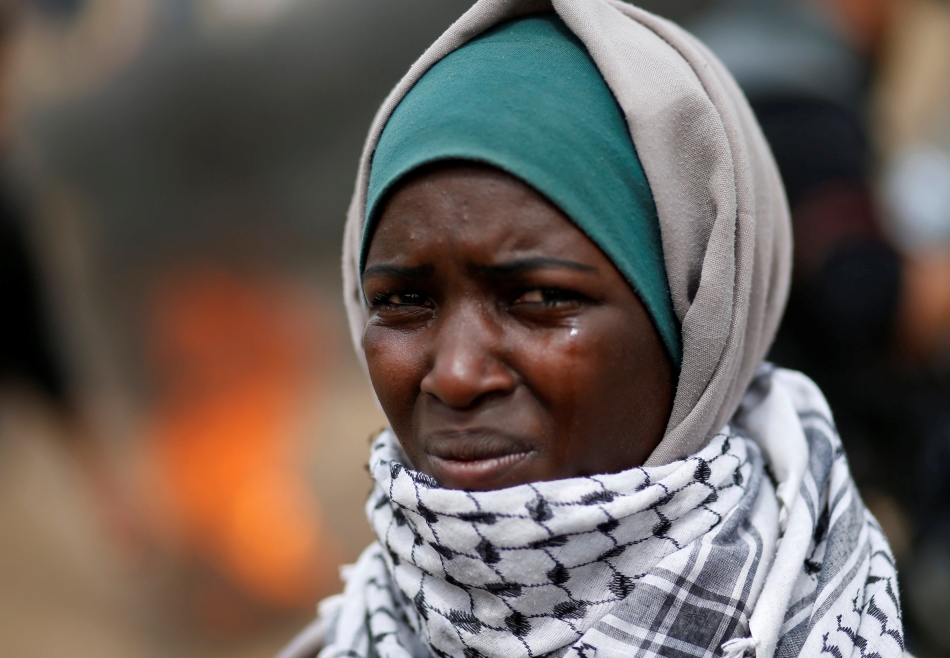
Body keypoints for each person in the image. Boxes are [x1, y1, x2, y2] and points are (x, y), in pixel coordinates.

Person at [279, 2, 907, 657]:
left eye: (540, 297)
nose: (458, 375)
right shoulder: (350, 639)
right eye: (404, 300)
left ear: (697, 320)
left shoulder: (830, 629)